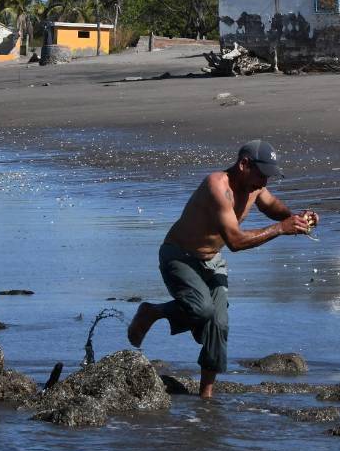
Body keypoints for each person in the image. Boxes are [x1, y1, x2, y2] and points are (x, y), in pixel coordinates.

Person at [126, 140, 318, 398]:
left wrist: (295, 217)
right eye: (262, 175)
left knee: (219, 323)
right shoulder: (217, 186)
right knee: (202, 309)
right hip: (179, 256)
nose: (264, 183)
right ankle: (153, 312)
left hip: (212, 260)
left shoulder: (255, 187)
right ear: (244, 165)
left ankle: (206, 397)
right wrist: (282, 228)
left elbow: (272, 206)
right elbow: (236, 242)